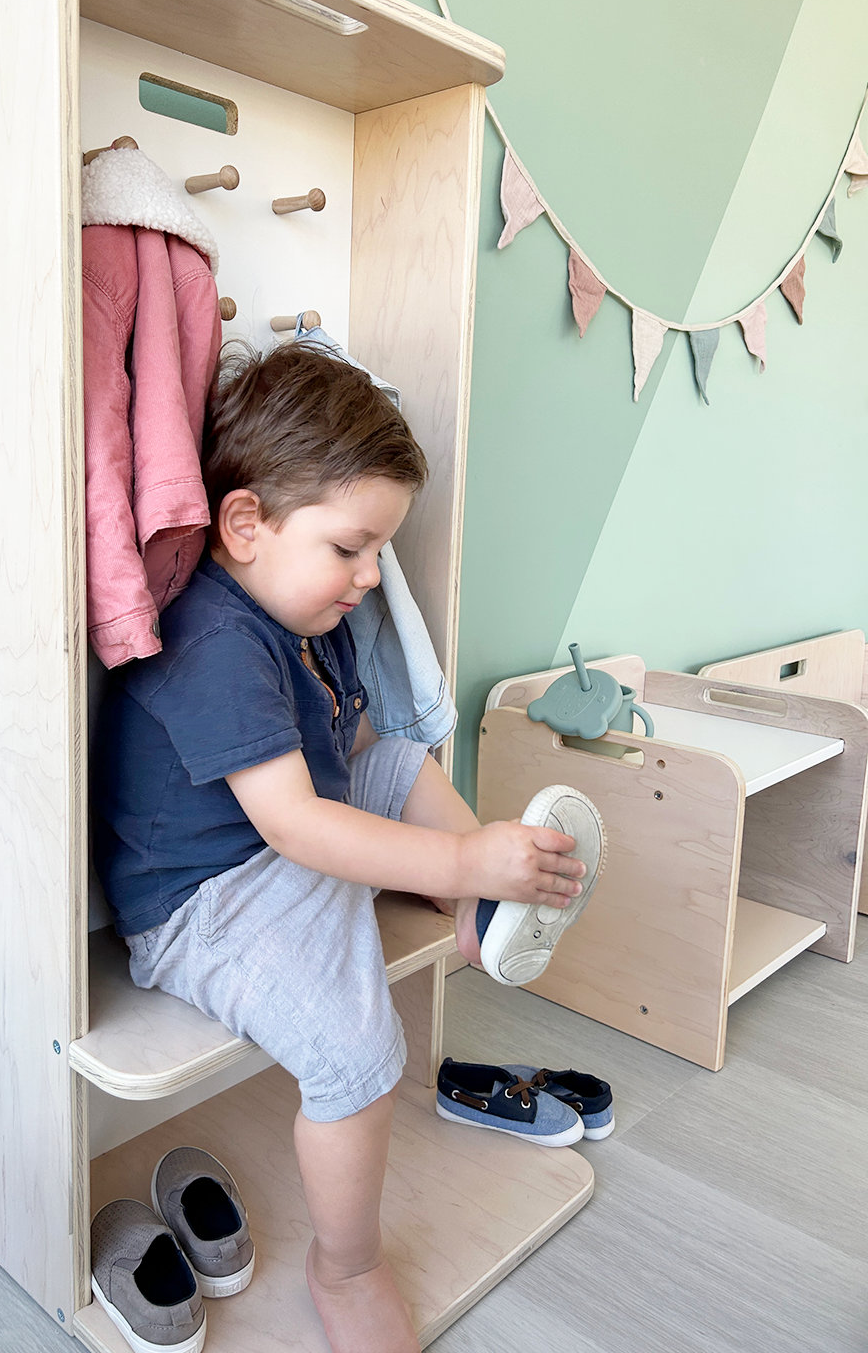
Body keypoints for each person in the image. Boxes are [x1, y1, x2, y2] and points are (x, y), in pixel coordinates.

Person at [91, 341, 593, 1353]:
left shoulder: (303, 612)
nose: (369, 578)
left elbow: (353, 748)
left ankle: (484, 903)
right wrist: (453, 857)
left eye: (378, 555)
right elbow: (294, 826)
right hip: (207, 899)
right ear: (245, 525)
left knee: (399, 759)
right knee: (359, 1056)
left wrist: (442, 843)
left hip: (279, 834)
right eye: (351, 549)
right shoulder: (215, 638)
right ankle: (347, 1266)